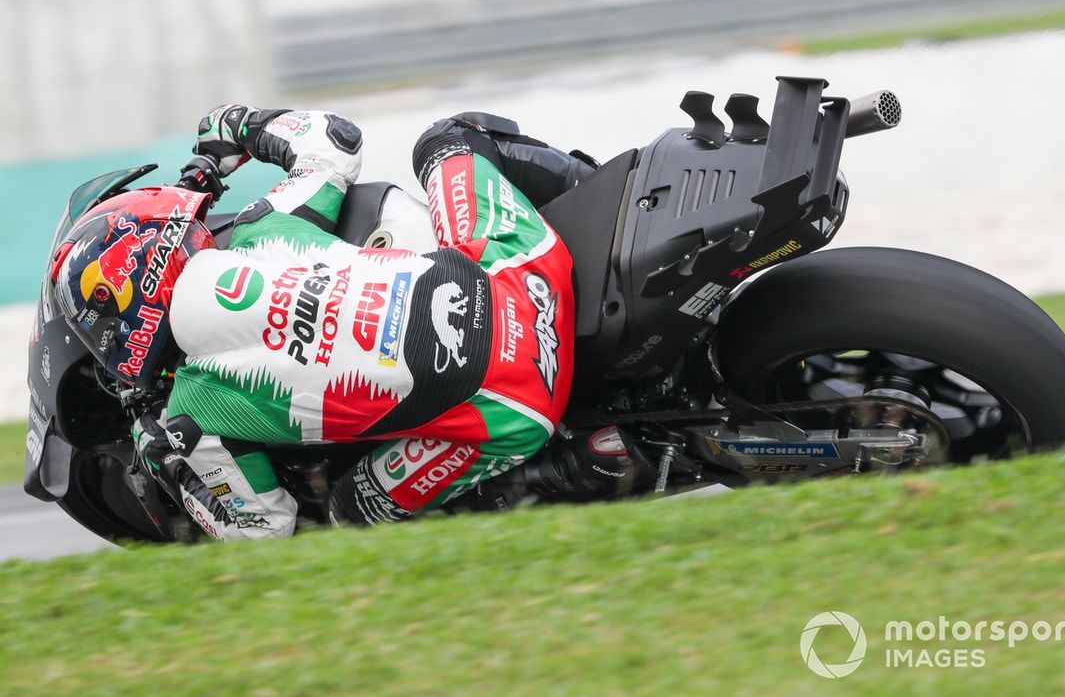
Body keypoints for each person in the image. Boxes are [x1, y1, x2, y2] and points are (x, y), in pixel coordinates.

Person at [51, 104, 642, 540]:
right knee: (448, 139)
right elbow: (334, 140)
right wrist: (238, 127)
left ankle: (579, 468)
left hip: (515, 409)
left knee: (347, 516)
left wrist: (173, 465)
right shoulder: (262, 228)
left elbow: (266, 533)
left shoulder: (190, 414)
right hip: (524, 272)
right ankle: (617, 205)